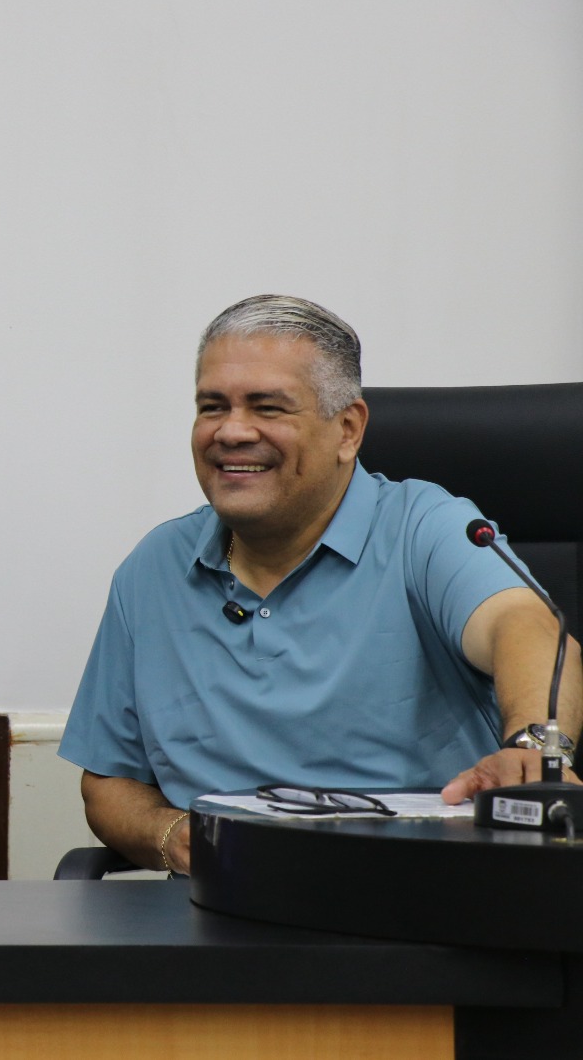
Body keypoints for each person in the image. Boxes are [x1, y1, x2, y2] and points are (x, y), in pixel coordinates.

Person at [58, 294, 581, 875]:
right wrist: (172, 835)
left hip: (424, 898)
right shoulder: (152, 568)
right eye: (212, 406)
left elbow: (526, 627)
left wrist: (534, 752)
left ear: (348, 429)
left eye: (268, 408)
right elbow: (109, 784)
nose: (231, 432)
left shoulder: (426, 526)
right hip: (221, 907)